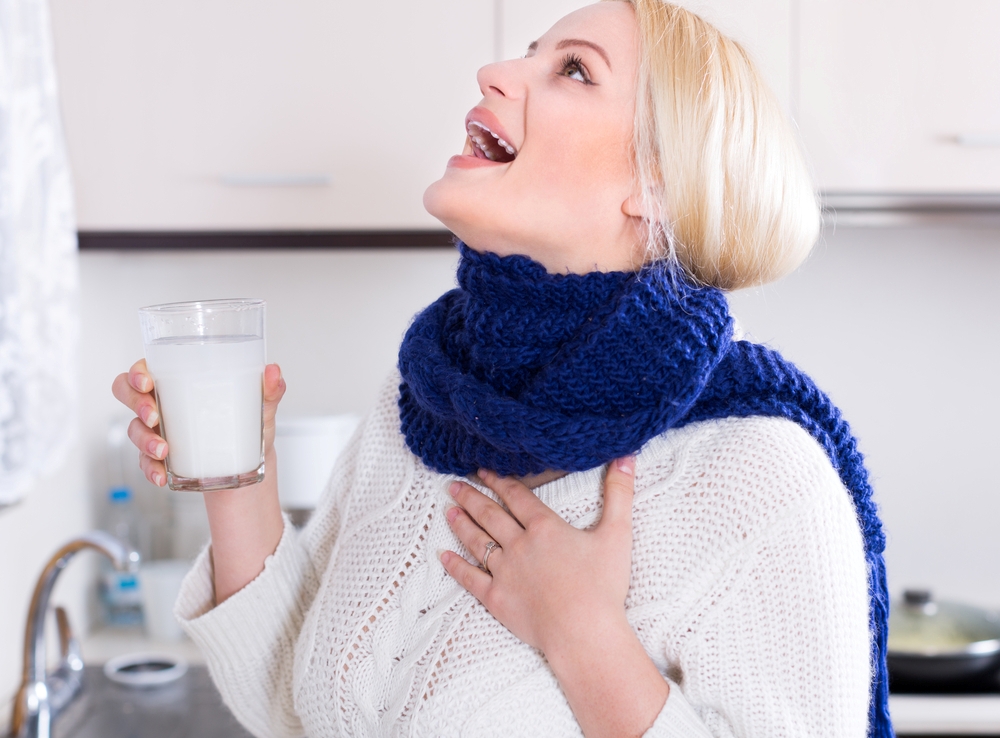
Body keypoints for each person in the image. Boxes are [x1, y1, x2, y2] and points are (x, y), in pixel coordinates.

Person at [113, 1, 891, 736]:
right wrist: (237, 474)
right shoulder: (425, 401)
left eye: (575, 70)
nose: (495, 74)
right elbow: (294, 707)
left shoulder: (760, 473)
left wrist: (583, 637)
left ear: (656, 187)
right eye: (529, 54)